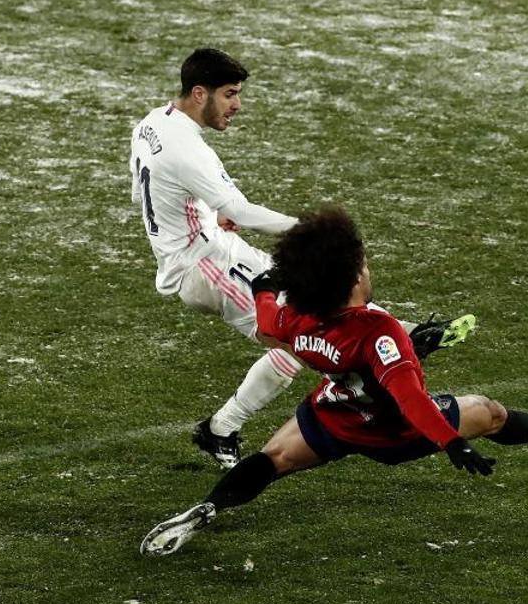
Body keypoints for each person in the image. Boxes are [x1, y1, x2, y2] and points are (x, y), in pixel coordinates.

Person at [140, 205, 528, 557]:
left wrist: (265, 285)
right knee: (489, 412)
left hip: (333, 414)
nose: (368, 269)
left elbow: (268, 325)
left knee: (273, 458)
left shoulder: (300, 318)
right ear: (350, 281)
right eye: (362, 265)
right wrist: (451, 442)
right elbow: (409, 397)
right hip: (391, 433)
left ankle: (207, 509)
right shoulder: (379, 332)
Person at [128, 49, 476, 469]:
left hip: (212, 248)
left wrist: (203, 210)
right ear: (199, 93)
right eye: (230, 94)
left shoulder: (152, 123)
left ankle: (411, 333)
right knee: (300, 335)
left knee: (307, 310)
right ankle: (223, 428)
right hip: (203, 265)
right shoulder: (189, 149)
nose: (237, 105)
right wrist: (310, 231)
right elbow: (240, 211)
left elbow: (144, 191)